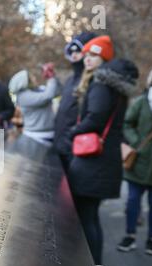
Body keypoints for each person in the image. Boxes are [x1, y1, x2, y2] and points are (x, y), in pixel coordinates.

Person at [67, 35, 139, 265]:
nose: (88, 59)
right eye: (86, 55)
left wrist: (74, 131)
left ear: (104, 58)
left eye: (94, 55)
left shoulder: (100, 85)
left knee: (87, 217)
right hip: (104, 160)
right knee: (91, 216)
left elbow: (95, 119)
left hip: (92, 162)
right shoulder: (114, 86)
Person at [117, 60, 152, 255]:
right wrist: (136, 142)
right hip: (138, 161)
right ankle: (130, 236)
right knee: (133, 200)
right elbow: (127, 124)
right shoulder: (143, 101)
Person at [54, 32, 97, 173]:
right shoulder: (69, 80)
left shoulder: (93, 81)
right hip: (60, 144)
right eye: (71, 51)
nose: (74, 55)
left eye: (78, 51)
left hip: (77, 147)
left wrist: (72, 135)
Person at [9, 63, 61, 143]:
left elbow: (56, 92)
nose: (34, 78)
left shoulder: (39, 90)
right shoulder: (23, 97)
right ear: (25, 82)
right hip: (35, 137)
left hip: (48, 134)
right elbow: (48, 95)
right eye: (31, 77)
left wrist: (53, 76)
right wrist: (50, 79)